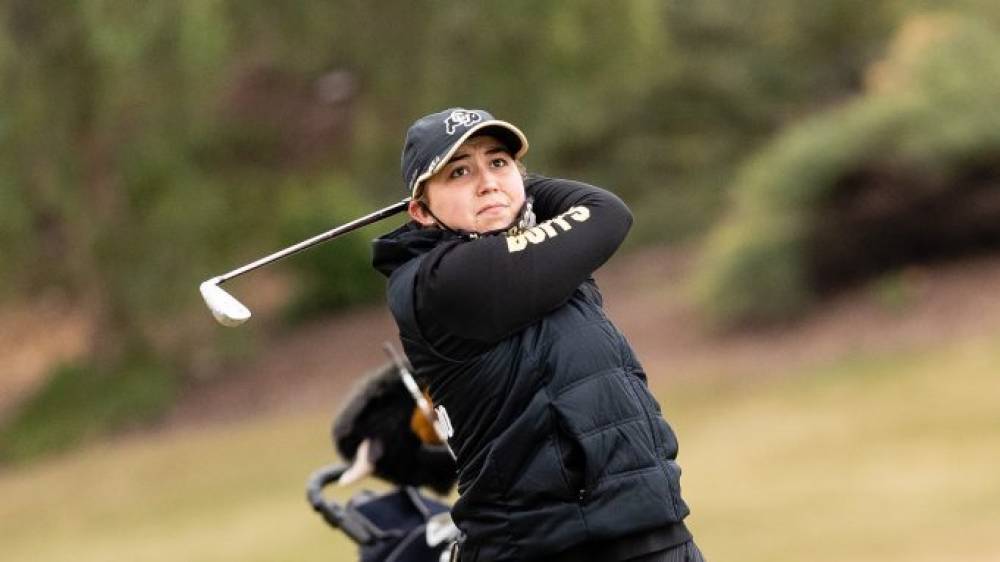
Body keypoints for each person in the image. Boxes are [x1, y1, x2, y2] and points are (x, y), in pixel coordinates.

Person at [372, 108, 705, 562]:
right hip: (552, 546)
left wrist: (510, 190)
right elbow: (607, 212)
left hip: (649, 530)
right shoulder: (441, 283)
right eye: (459, 171)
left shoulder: (540, 256)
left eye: (499, 161)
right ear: (420, 211)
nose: (487, 181)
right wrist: (515, 189)